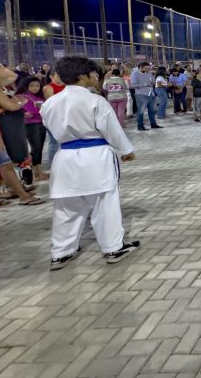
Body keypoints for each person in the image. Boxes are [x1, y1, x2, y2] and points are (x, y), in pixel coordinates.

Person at [41, 56, 139, 270]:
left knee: (66, 208)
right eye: (94, 74)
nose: (97, 78)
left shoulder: (50, 103)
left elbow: (49, 127)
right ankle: (113, 247)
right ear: (82, 76)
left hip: (65, 156)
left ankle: (61, 252)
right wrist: (126, 150)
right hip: (96, 155)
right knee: (104, 204)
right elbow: (112, 130)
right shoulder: (95, 101)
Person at [16, 77, 48, 182]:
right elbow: (18, 110)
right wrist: (24, 114)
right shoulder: (21, 96)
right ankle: (35, 173)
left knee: (40, 147)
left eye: (37, 86)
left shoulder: (39, 96)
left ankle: (39, 172)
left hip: (41, 123)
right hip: (30, 125)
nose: (35, 88)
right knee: (36, 147)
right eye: (32, 86)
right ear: (26, 86)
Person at [130, 62, 162, 131]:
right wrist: (145, 84)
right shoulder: (135, 74)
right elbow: (133, 85)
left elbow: (153, 81)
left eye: (148, 68)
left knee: (152, 110)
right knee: (141, 111)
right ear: (140, 67)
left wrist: (153, 82)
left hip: (151, 94)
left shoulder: (149, 73)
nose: (147, 70)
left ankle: (153, 124)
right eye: (146, 68)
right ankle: (140, 126)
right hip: (141, 95)